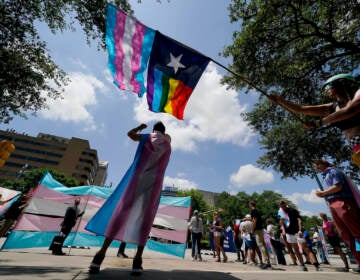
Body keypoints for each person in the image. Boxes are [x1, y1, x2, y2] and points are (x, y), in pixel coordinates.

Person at [86, 122, 171, 275]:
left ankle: (100, 255)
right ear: (164, 132)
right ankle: (137, 261)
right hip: (154, 182)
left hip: (137, 178)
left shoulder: (146, 137)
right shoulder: (167, 143)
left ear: (153, 130)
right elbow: (166, 139)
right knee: (146, 218)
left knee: (121, 211)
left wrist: (140, 128)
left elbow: (130, 134)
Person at [269, 74, 360, 166]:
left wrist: (318, 123)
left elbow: (348, 111)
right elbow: (301, 109)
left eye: (327, 87)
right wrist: (280, 100)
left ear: (339, 84)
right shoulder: (332, 107)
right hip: (356, 148)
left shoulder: (356, 99)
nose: (325, 91)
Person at [313, 159, 360, 273]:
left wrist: (323, 193)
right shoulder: (324, 176)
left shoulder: (334, 171)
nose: (316, 167)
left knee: (356, 231)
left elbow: (338, 186)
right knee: (345, 234)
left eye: (317, 165)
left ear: (323, 164)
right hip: (332, 204)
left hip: (342, 201)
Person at [278, 200, 307, 271]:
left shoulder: (292, 210)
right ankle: (302, 265)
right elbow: (281, 223)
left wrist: (300, 230)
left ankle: (314, 263)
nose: (282, 207)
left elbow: (299, 220)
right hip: (289, 233)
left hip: (297, 232)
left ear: (285, 204)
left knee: (305, 248)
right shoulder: (281, 213)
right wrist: (282, 225)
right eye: (281, 206)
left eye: (283, 205)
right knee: (296, 249)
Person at [249, 201, 271, 269]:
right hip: (260, 229)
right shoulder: (257, 211)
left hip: (257, 230)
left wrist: (252, 230)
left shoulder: (253, 211)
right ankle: (268, 262)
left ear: (250, 205)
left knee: (261, 245)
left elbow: (254, 220)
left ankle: (266, 262)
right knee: (263, 245)